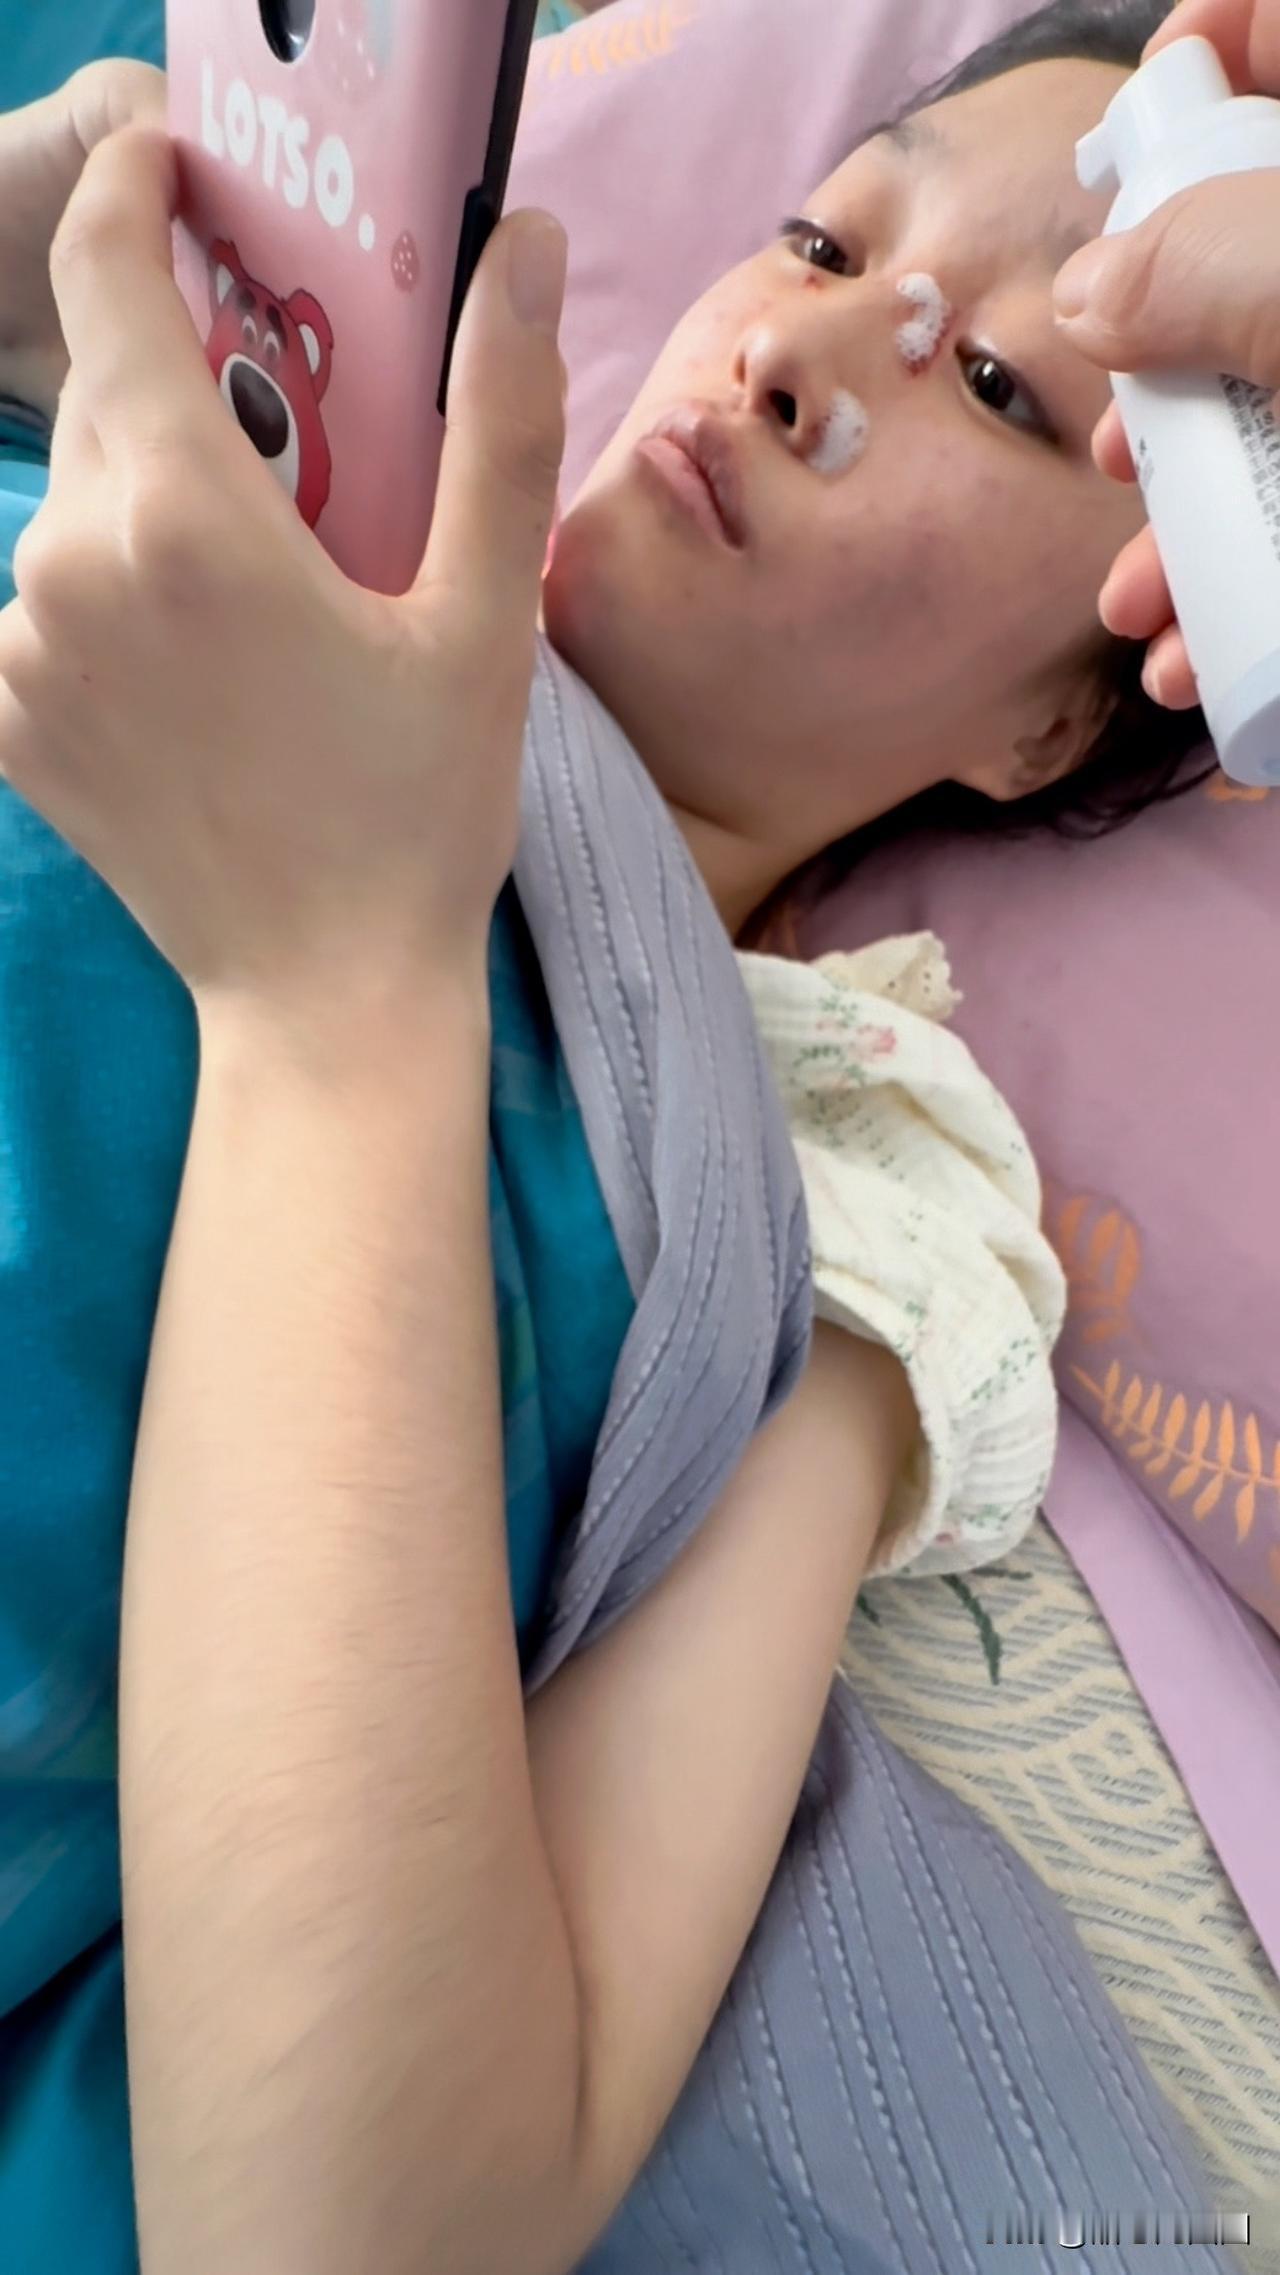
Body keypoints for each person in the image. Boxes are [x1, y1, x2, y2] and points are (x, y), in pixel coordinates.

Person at [0, 0, 1268, 2264]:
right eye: (823, 240)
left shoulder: (858, 1162)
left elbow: (363, 2214)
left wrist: (340, 986)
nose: (801, 352)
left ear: (1051, 724)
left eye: (995, 384)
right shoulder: (200, 483)